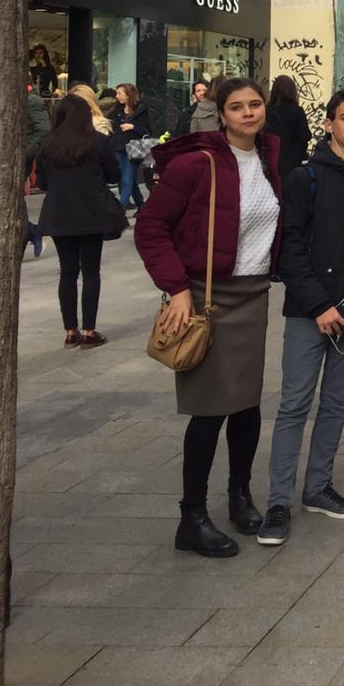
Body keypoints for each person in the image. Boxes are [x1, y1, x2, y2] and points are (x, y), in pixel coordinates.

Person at [136, 77, 283, 559]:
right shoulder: (195, 164)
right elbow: (151, 227)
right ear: (220, 114)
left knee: (246, 404)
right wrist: (177, 288)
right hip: (207, 297)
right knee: (209, 409)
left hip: (253, 294)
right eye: (237, 107)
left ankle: (239, 496)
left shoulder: (268, 159)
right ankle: (192, 517)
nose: (248, 113)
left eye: (255, 104)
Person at [257, 90, 344, 545]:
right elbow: (290, 249)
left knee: (337, 403)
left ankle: (318, 487)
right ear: (329, 123)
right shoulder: (305, 178)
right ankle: (278, 503)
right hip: (309, 313)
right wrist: (319, 306)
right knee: (294, 404)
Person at [38, 96, 126, 348]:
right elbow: (114, 175)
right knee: (90, 272)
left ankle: (70, 330)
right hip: (91, 212)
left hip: (60, 213)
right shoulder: (97, 141)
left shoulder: (47, 143)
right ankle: (89, 330)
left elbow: (42, 183)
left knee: (67, 271)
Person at [109, 83, 152, 211]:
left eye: (120, 93)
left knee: (127, 179)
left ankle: (120, 210)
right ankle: (141, 205)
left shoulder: (141, 110)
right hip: (118, 147)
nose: (117, 96)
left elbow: (147, 132)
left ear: (129, 94)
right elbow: (111, 127)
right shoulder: (116, 110)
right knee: (128, 179)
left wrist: (133, 127)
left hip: (134, 149)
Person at [265, 74, 313, 179]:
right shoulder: (297, 111)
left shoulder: (267, 112)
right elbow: (305, 135)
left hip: (271, 161)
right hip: (293, 163)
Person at [24, 82, 52, 259]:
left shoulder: (31, 100)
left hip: (17, 157)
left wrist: (24, 153)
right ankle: (30, 231)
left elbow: (43, 131)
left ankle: (31, 232)